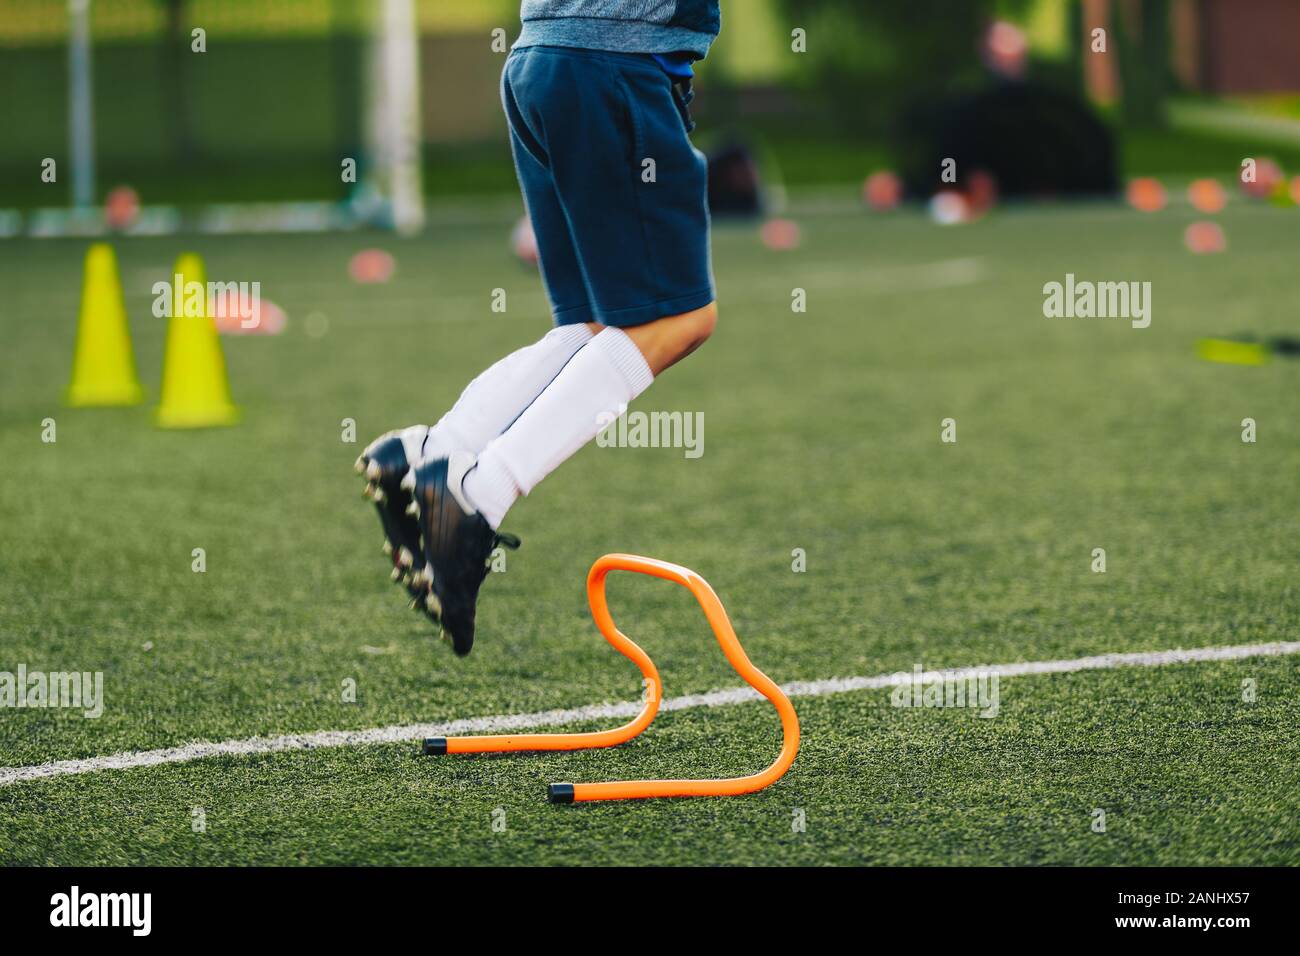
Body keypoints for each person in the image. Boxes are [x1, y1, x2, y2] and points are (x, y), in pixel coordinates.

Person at [356, 1, 722, 656]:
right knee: (682, 317)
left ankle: (432, 452)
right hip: (616, 64)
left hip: (540, 60)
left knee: (597, 323)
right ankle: (476, 497)